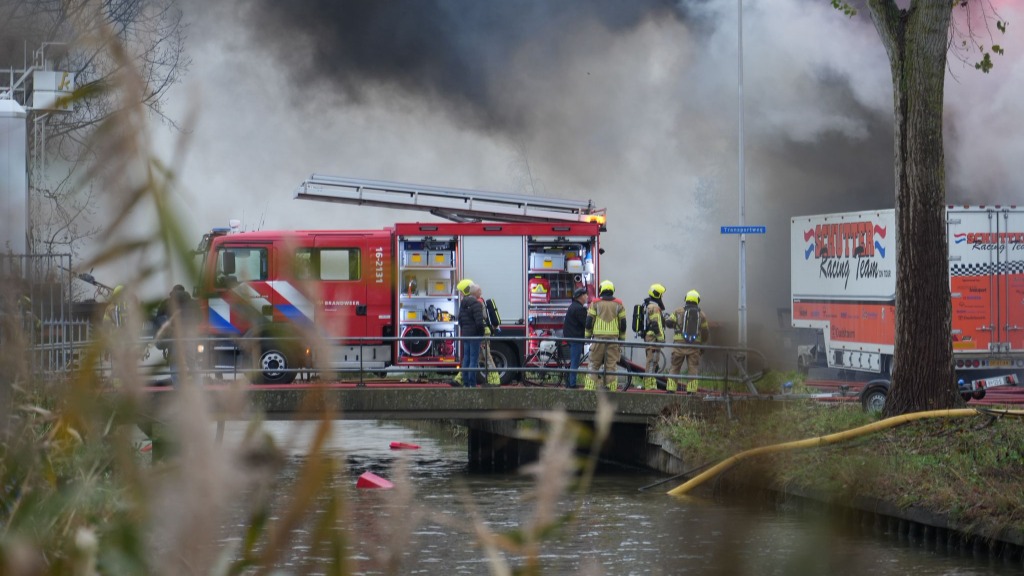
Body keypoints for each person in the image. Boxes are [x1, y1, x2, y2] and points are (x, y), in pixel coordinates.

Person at [585, 280, 626, 391]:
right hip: (613, 340)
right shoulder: (619, 304)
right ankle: (612, 391)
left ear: (601, 290)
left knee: (593, 365)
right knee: (611, 367)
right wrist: (622, 339)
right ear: (612, 290)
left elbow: (589, 322)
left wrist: (587, 337)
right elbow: (623, 324)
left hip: (598, 340)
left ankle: (589, 390)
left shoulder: (595, 303)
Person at [666, 289, 710, 393]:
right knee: (693, 369)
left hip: (679, 345)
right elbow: (705, 332)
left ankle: (671, 389)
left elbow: (668, 323)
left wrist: (671, 322)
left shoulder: (678, 311)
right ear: (697, 300)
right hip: (694, 346)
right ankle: (691, 391)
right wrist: (703, 345)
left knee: (675, 367)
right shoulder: (702, 315)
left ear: (686, 299)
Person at [155, 287, 200, 386]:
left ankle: (178, 387)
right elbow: (200, 317)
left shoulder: (167, 302)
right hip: (190, 334)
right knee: (192, 361)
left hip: (176, 335)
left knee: (175, 363)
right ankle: (199, 386)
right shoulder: (193, 302)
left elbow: (158, 319)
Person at [457, 280, 485, 388]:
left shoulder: (463, 304)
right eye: (480, 290)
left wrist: (464, 330)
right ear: (475, 292)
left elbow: (460, 319)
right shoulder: (477, 304)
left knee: (466, 359)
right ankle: (472, 384)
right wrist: (481, 334)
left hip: (466, 335)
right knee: (474, 359)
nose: (481, 292)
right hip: (474, 335)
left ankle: (466, 383)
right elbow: (479, 322)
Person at [640, 283, 667, 391]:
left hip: (650, 337)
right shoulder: (654, 307)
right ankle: (649, 385)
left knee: (653, 361)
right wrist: (661, 338)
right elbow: (656, 324)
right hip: (653, 338)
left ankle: (651, 383)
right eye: (661, 295)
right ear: (657, 294)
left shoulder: (648, 305)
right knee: (652, 361)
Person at [562, 287, 589, 389]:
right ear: (580, 296)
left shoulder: (573, 306)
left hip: (571, 337)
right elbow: (586, 323)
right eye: (585, 294)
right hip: (576, 338)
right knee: (575, 361)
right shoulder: (579, 309)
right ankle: (572, 384)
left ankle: (569, 381)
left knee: (574, 360)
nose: (587, 296)